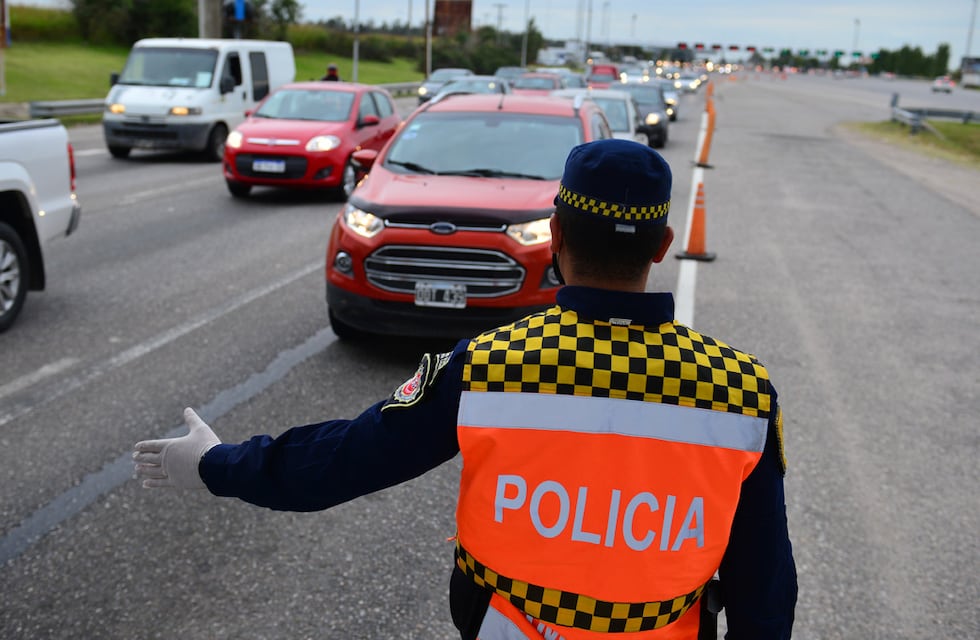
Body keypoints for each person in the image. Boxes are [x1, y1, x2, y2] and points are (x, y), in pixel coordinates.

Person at [134, 139, 797, 640]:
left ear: (557, 235)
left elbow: (344, 460)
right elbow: (765, 584)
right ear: (663, 246)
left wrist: (216, 465)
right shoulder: (742, 392)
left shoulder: (486, 365)